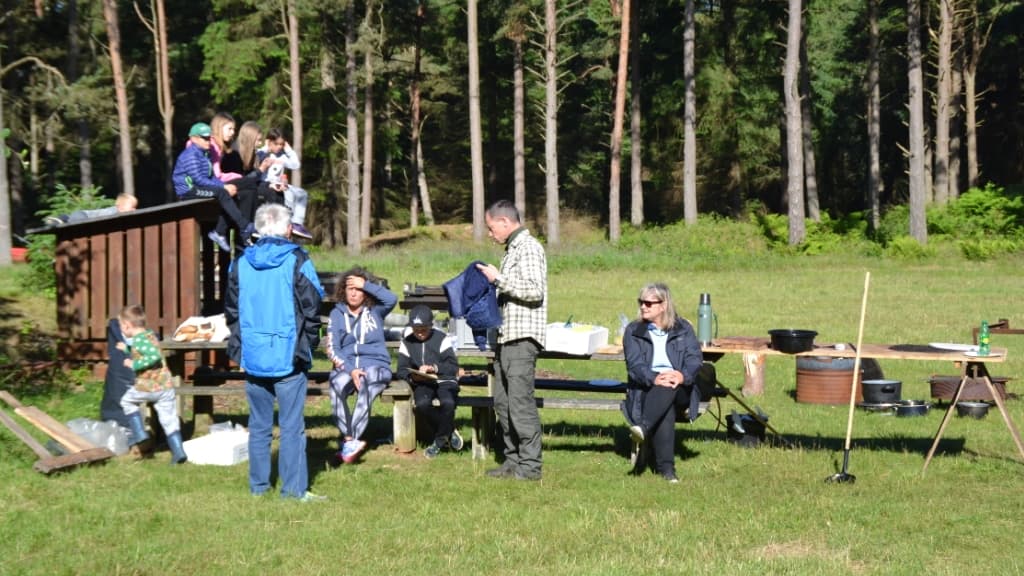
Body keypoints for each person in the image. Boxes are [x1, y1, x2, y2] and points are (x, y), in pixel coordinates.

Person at [225, 203, 325, 501]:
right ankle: (293, 491)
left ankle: (258, 488)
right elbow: (313, 305)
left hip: (254, 353)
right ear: (287, 228)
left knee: (258, 426)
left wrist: (241, 345)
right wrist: (309, 344)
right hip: (288, 355)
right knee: (292, 428)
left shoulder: (239, 262)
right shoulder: (298, 259)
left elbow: (232, 310)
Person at [475, 199, 547, 481]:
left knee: (520, 404)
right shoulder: (511, 251)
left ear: (505, 222)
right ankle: (512, 461)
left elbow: (534, 291)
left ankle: (530, 467)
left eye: (492, 228)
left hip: (522, 339)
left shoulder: (529, 247)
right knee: (503, 404)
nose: (490, 234)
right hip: (505, 339)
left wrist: (498, 280)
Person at [622, 283, 704, 483]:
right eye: (641, 302)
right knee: (665, 402)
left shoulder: (683, 328)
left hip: (682, 388)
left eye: (649, 303)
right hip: (647, 388)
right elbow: (635, 366)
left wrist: (681, 376)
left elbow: (695, 359)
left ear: (664, 305)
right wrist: (654, 377)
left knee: (669, 387)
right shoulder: (633, 330)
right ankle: (667, 471)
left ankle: (643, 427)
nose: (643, 307)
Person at [325, 266, 398, 465]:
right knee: (336, 385)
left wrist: (365, 284)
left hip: (377, 366)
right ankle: (349, 439)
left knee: (367, 382)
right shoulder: (336, 315)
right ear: (343, 291)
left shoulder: (376, 310)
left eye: (358, 289)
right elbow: (332, 348)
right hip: (348, 366)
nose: (354, 292)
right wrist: (351, 370)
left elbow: (392, 299)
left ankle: (352, 442)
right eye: (350, 288)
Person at [116, 305, 188, 464]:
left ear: (127, 325)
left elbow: (153, 356)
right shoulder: (149, 336)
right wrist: (127, 348)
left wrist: (133, 364)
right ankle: (178, 452)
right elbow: (143, 349)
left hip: (148, 387)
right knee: (169, 420)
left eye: (121, 326)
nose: (121, 329)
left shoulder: (139, 340)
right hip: (165, 387)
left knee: (126, 401)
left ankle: (139, 433)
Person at [171, 122, 252, 252]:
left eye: (209, 137)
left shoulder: (205, 154)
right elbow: (198, 180)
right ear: (193, 138)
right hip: (188, 190)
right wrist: (223, 188)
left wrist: (224, 185)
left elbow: (211, 177)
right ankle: (244, 226)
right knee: (222, 193)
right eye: (205, 138)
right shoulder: (191, 155)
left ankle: (220, 231)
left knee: (230, 193)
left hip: (198, 187)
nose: (209, 141)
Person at [395, 304, 462, 459]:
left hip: (445, 380)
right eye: (416, 330)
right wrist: (413, 377)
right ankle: (448, 431)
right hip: (423, 382)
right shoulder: (406, 342)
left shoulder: (442, 339)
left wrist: (434, 368)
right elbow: (401, 370)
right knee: (422, 405)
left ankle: (438, 442)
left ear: (431, 326)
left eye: (423, 329)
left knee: (448, 403)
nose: (419, 333)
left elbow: (453, 366)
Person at [257, 128, 312, 239]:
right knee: (289, 195)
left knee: (302, 193)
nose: (279, 147)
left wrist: (288, 150)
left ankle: (297, 223)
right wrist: (267, 148)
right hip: (266, 184)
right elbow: (257, 161)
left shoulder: (282, 156)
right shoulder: (262, 152)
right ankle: (287, 223)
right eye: (276, 144)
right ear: (269, 141)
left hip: (279, 183)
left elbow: (296, 165)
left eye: (282, 144)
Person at [44, 193, 138, 226]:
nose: (134, 210)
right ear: (120, 208)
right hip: (82, 215)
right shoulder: (113, 212)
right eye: (131, 208)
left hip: (80, 215)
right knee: (76, 224)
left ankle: (64, 218)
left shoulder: (118, 213)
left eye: (135, 207)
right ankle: (62, 220)